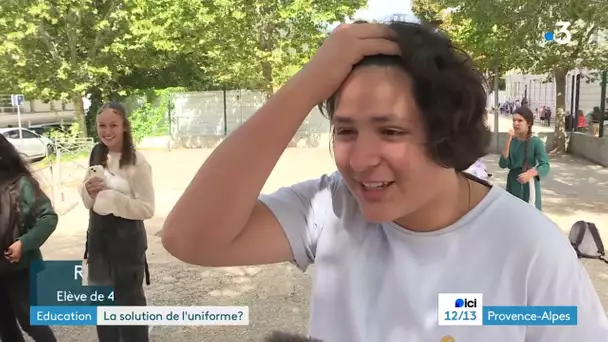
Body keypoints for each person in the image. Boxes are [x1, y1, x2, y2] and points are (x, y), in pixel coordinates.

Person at [162, 21, 608, 341]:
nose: (358, 160)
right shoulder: (329, 209)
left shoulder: (529, 249)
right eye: (345, 130)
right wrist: (308, 84)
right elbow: (189, 238)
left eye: (391, 131)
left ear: (446, 132)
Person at [80, 102, 155, 342]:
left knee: (130, 311)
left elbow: (147, 208)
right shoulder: (96, 152)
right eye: (102, 125)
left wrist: (114, 198)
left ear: (124, 126)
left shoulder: (137, 162)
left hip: (127, 248)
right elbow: (88, 200)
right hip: (98, 245)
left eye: (113, 125)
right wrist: (89, 193)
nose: (107, 131)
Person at [0, 134, 58, 342]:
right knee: (6, 328)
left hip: (21, 268)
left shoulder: (22, 183)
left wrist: (24, 243)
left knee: (34, 324)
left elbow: (48, 217)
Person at [499, 106, 550, 209]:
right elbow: (503, 164)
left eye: (520, 120)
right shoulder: (512, 141)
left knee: (530, 215)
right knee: (513, 213)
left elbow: (545, 165)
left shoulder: (536, 142)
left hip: (529, 184)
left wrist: (531, 173)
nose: (515, 124)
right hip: (513, 182)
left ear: (529, 123)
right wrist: (508, 140)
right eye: (514, 120)